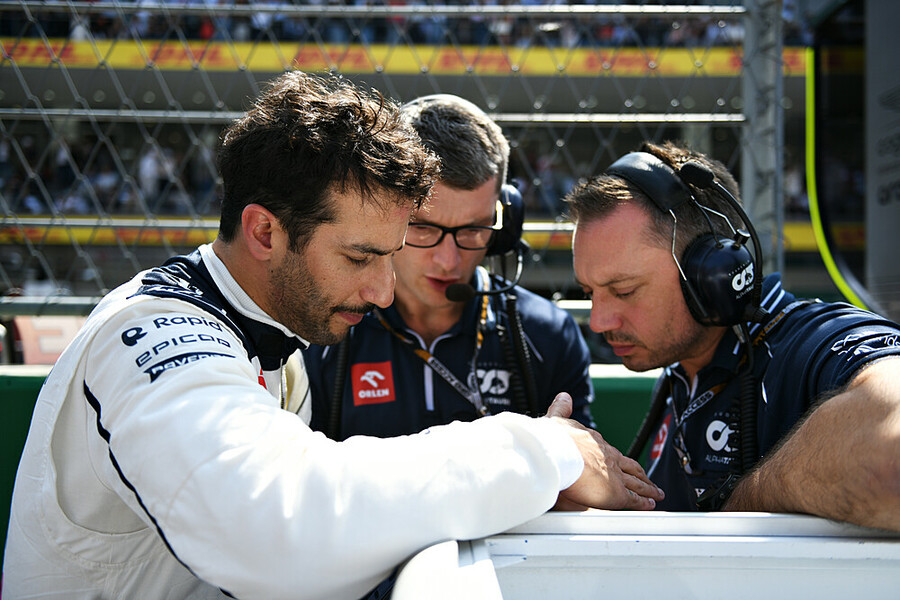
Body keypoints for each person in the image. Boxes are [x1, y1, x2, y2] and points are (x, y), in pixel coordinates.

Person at [3, 72, 664, 600]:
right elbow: (280, 530)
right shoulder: (152, 331)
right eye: (359, 257)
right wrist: (541, 451)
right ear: (265, 232)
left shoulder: (280, 341)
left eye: (391, 256)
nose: (383, 293)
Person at [565, 140, 900, 531]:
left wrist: (747, 501)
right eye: (589, 293)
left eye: (624, 291)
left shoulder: (812, 343)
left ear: (710, 274)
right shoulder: (681, 372)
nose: (598, 322)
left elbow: (890, 464)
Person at [302, 93, 594, 440]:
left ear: (506, 223)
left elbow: (585, 473)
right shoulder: (319, 334)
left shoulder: (548, 337)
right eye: (423, 228)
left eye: (473, 229)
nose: (448, 260)